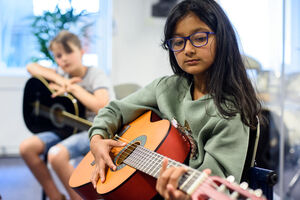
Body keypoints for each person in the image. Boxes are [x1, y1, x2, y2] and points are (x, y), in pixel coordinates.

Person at [89, 0, 262, 199]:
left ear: (222, 38)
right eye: (178, 42)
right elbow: (115, 110)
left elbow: (213, 188)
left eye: (199, 38)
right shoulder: (166, 87)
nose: (188, 49)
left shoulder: (230, 113)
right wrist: (97, 139)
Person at [19, 30, 115, 200]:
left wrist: (73, 88)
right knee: (27, 148)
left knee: (56, 155)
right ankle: (56, 196)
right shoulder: (62, 74)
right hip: (68, 129)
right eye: (58, 55)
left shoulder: (95, 75)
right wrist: (61, 80)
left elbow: (102, 106)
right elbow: (31, 67)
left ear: (82, 52)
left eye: (68, 52)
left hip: (93, 130)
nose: (63, 59)